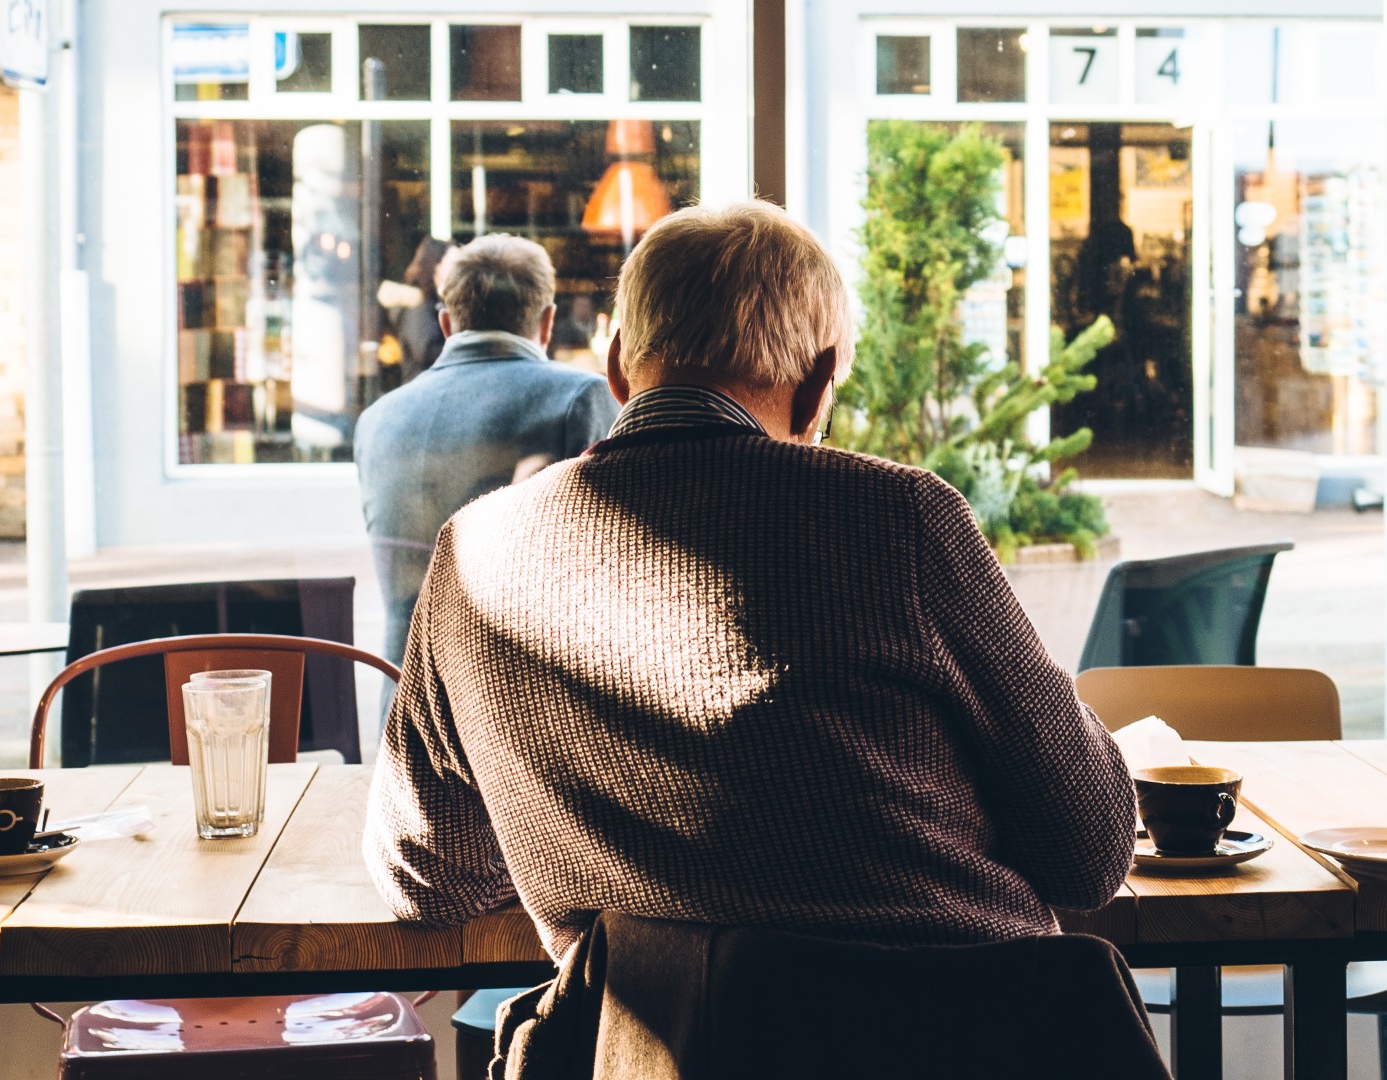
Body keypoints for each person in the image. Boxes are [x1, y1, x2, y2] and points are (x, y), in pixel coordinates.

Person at [362, 201, 1136, 961]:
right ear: (817, 383)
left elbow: (425, 879)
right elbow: (1090, 851)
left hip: (655, 1052)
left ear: (617, 367)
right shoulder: (900, 519)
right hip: (964, 1040)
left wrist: (579, 826)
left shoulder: (474, 554)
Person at [354, 234, 619, 665]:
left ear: (446, 324)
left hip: (401, 706)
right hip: (518, 707)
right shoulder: (579, 399)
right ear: (548, 323)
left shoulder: (376, 419)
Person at [393, 237, 456, 383]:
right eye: (452, 264)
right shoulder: (419, 305)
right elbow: (426, 351)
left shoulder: (434, 303)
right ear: (436, 267)